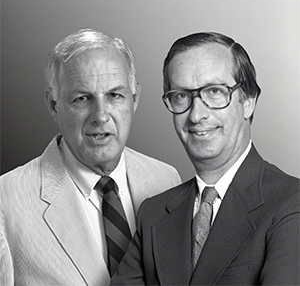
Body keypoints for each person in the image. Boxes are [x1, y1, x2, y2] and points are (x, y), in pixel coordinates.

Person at [110, 32, 300, 285]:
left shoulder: (291, 202)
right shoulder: (153, 213)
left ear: (248, 102)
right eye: (181, 96)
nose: (196, 115)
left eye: (214, 91)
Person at [0, 29, 181, 286]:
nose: (101, 115)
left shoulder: (166, 180)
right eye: (82, 98)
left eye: (114, 95)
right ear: (53, 105)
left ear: (135, 99)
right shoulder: (5, 202)